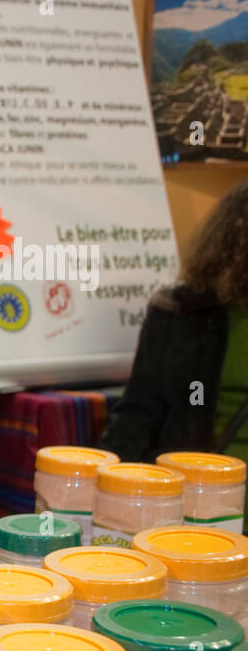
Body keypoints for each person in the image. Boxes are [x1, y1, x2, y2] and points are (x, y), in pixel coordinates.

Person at [100, 178, 248, 461]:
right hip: (191, 490)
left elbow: (137, 414)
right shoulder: (180, 310)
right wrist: (102, 485)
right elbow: (138, 415)